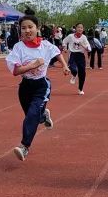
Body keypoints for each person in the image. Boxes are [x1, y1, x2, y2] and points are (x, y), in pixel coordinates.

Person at [6, 9, 70, 161]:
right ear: (20, 30)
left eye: (30, 27)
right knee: (32, 115)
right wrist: (32, 65)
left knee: (32, 115)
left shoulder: (46, 45)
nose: (27, 30)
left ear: (37, 28)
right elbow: (15, 70)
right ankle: (44, 115)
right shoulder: (18, 48)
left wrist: (65, 66)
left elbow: (57, 53)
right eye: (24, 28)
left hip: (41, 85)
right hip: (25, 87)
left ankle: (24, 146)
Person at [63, 23, 92, 95]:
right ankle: (74, 75)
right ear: (75, 28)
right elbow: (64, 41)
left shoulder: (84, 37)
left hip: (81, 56)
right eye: (78, 27)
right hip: (72, 54)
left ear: (83, 29)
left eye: (81, 28)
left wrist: (86, 47)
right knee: (73, 69)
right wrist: (65, 48)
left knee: (82, 73)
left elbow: (89, 48)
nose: (80, 29)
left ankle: (80, 89)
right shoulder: (70, 36)